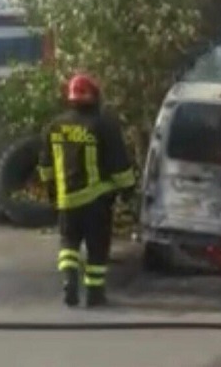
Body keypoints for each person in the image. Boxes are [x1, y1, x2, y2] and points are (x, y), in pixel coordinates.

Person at [37, 74, 136, 308]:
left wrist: (53, 194)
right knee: (97, 247)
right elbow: (118, 163)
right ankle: (94, 293)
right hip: (96, 200)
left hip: (66, 200)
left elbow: (45, 167)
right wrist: (128, 190)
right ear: (95, 96)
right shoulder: (103, 125)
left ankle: (69, 279)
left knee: (68, 242)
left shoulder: (55, 127)